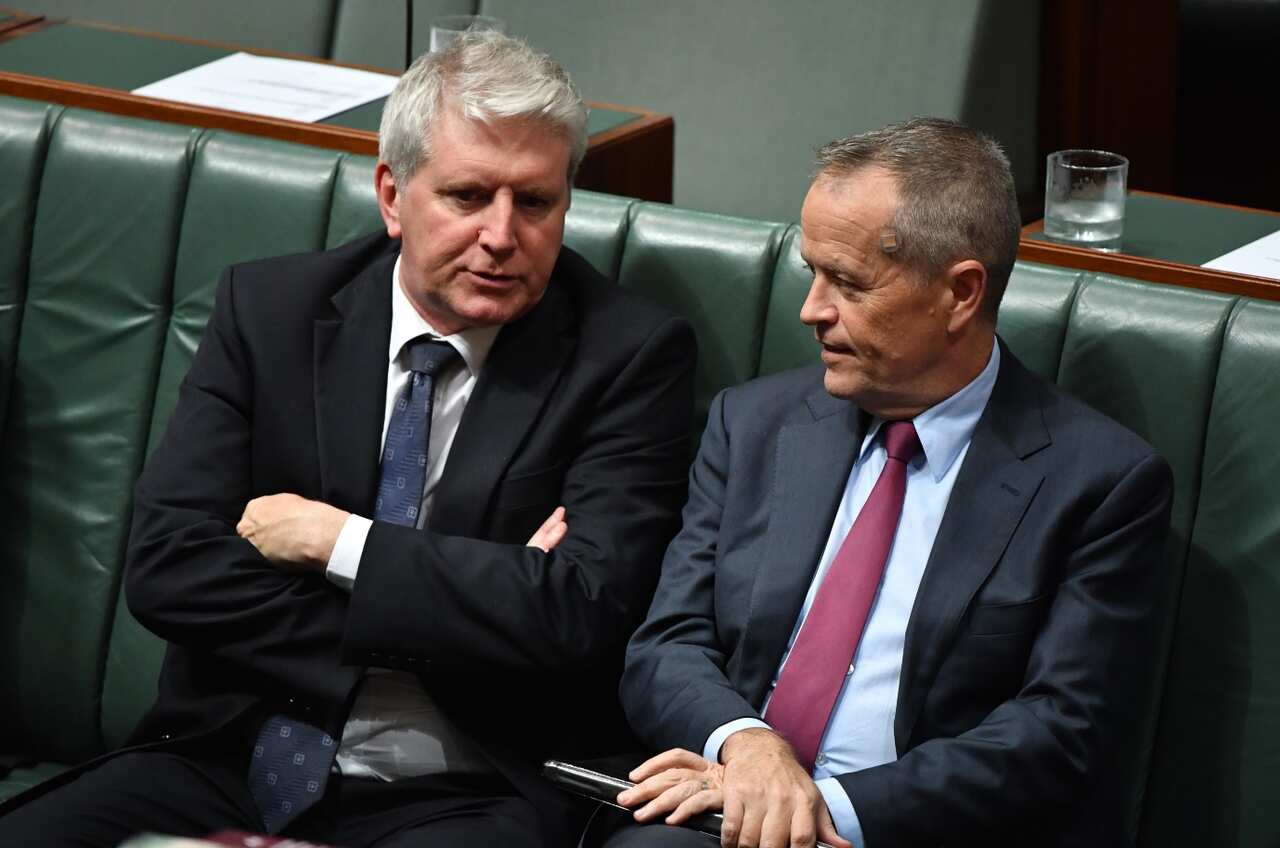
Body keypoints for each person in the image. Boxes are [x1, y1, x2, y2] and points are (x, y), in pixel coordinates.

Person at [0, 31, 695, 848]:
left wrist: (340, 545)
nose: (504, 236)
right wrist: (471, 605)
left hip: (463, 793)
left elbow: (579, 616)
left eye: (535, 202)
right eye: (468, 197)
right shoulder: (272, 314)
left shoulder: (627, 356)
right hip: (222, 760)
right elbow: (169, 568)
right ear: (393, 196)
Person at [603, 118, 1175, 848]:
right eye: (810, 272)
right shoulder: (753, 425)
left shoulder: (1099, 485)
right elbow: (665, 645)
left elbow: (1056, 732)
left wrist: (822, 808)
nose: (812, 309)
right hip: (726, 812)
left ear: (961, 293)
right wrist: (749, 745)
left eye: (847, 283)